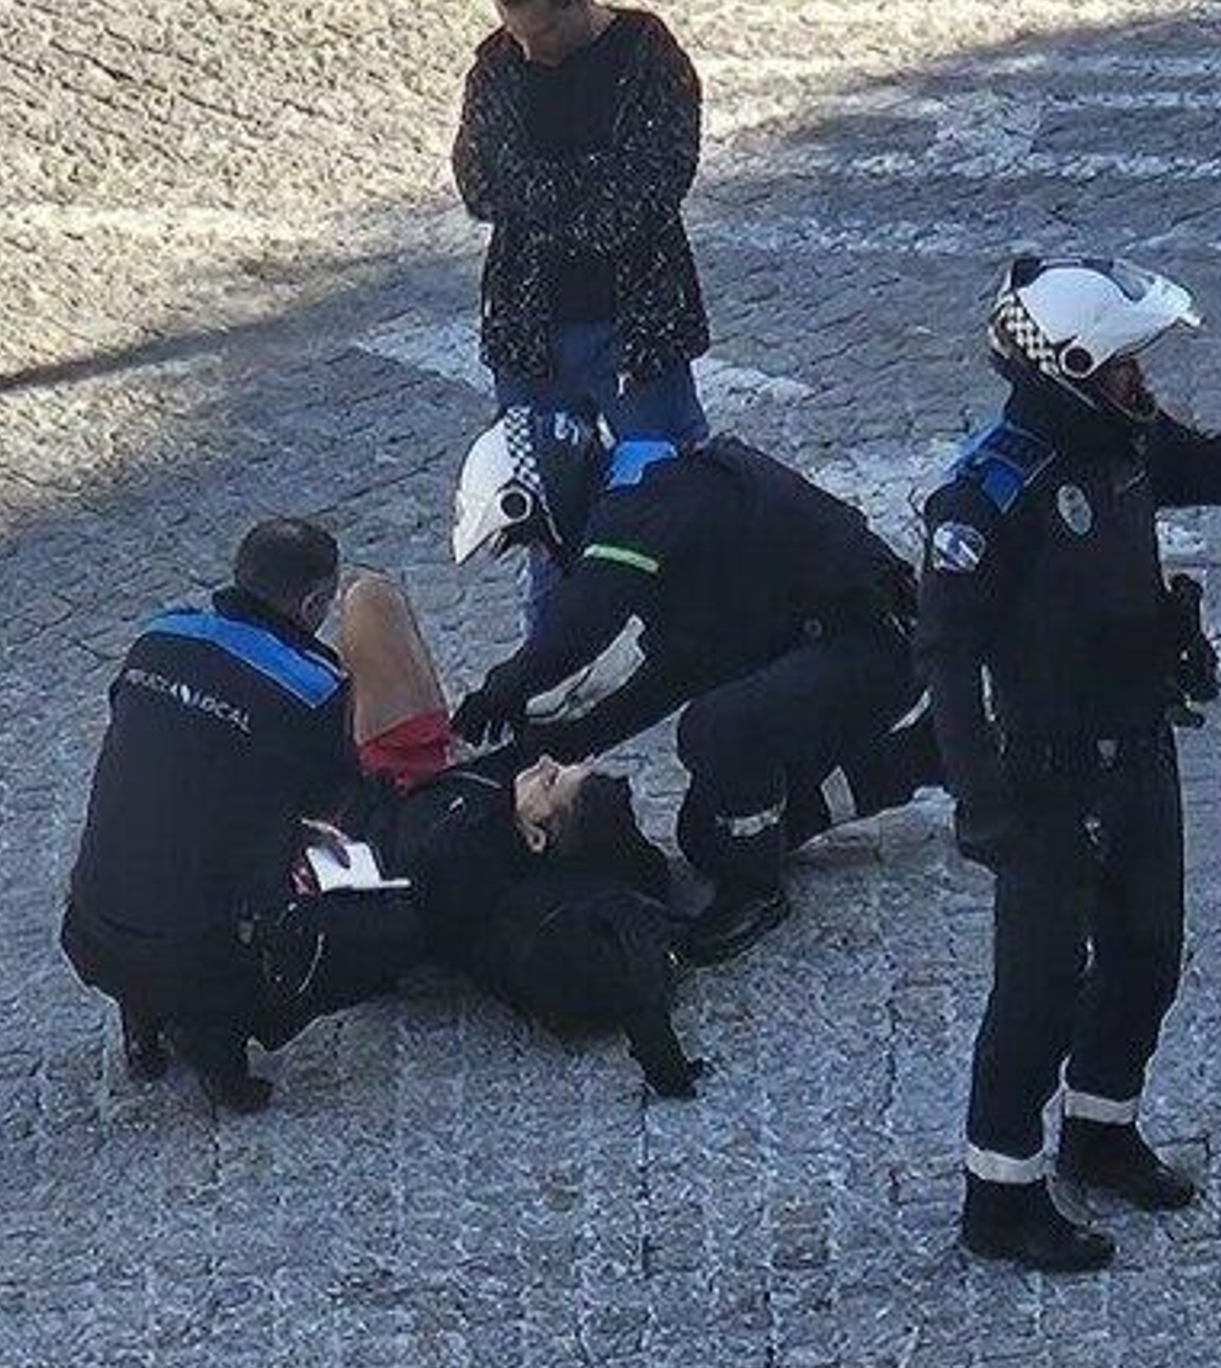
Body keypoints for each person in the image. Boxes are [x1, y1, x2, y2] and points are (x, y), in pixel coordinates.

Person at [918, 254, 1221, 1273]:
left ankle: (1100, 1129)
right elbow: (945, 654)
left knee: (1148, 951)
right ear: (1068, 369)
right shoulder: (987, 495)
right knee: (1039, 987)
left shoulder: (1126, 448)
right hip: (1045, 771)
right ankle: (1000, 1193)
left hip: (1136, 745)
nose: (1141, 384)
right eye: (1122, 368)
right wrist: (980, 798)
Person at [449, 409, 940, 965]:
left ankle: (755, 892)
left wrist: (503, 687)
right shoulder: (653, 500)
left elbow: (580, 625)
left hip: (876, 643)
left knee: (721, 730)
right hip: (839, 645)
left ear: (534, 497)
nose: (539, 552)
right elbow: (677, 670)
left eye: (528, 538)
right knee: (706, 837)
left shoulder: (648, 500)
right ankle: (926, 754)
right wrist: (559, 742)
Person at [333, 572, 702, 1097]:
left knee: (366, 602)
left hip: (375, 802)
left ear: (535, 836)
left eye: (550, 780)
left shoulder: (462, 855)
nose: (546, 764)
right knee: (372, 598)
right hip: (436, 786)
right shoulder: (588, 854)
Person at [453, 0, 711, 624]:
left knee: (671, 496)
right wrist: (587, 184)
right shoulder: (499, 66)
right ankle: (552, 667)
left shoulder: (647, 57)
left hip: (635, 328)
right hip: (528, 332)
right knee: (541, 516)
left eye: (541, 31)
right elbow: (479, 183)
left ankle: (691, 642)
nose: (530, 50)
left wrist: (538, 194)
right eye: (516, 33)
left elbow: (647, 192)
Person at [61, 519, 359, 1113]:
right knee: (346, 903)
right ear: (313, 603)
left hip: (92, 922)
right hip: (201, 955)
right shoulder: (314, 686)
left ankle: (142, 1029)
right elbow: (328, 803)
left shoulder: (158, 637)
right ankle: (222, 1060)